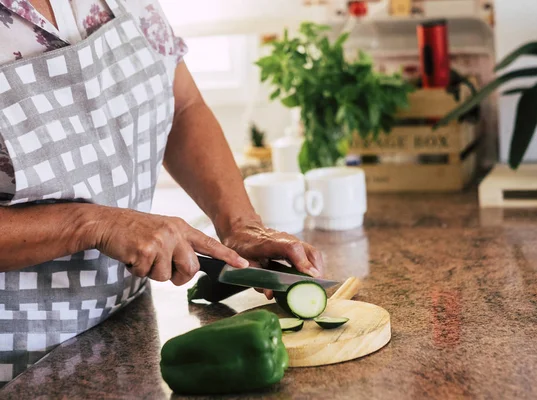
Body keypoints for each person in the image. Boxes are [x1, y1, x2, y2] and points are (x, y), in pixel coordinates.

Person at [0, 0, 323, 385]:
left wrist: (241, 224)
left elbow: (183, 105)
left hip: (122, 333)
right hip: (18, 368)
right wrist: (92, 224)